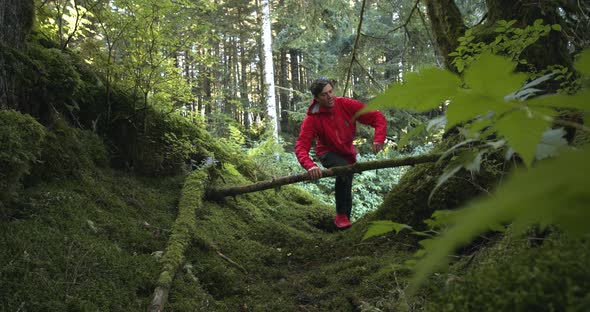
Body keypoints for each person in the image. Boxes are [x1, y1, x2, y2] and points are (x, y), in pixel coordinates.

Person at [295, 77, 387, 229]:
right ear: (317, 98)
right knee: (344, 172)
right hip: (327, 153)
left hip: (348, 153)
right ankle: (341, 215)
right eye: (324, 94)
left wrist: (378, 139)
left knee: (347, 180)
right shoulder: (312, 119)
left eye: (331, 91)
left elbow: (377, 117)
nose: (329, 96)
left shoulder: (346, 104)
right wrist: (310, 165)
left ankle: (345, 223)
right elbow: (301, 145)